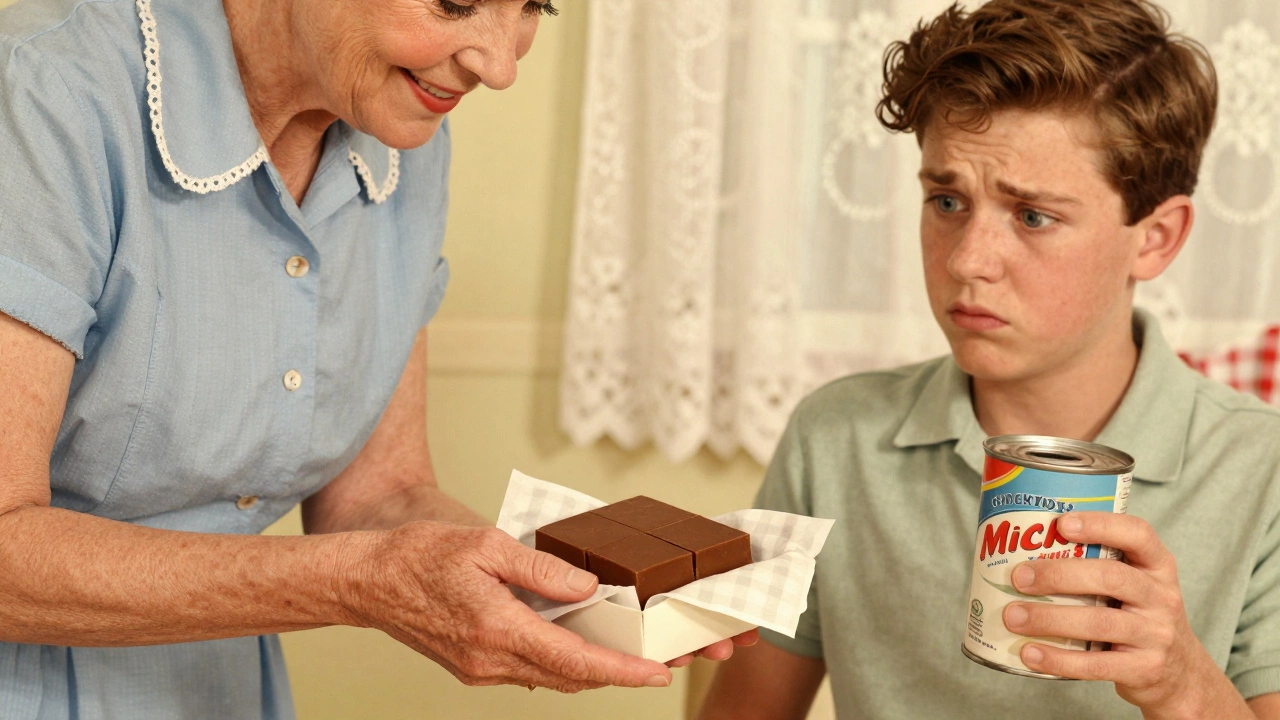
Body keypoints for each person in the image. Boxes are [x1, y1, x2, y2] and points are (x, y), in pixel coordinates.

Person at [0, 0, 753, 717]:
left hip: (213, 687)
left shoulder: (396, 127)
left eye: (536, 5)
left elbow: (378, 499)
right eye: (455, 3)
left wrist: (572, 589)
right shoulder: (42, 92)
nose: (500, 66)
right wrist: (363, 582)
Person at [698, 1, 1280, 718]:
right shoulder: (834, 439)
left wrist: (1183, 684)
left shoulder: (1264, 472)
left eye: (1033, 216)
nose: (969, 261)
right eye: (947, 200)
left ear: (1156, 238)